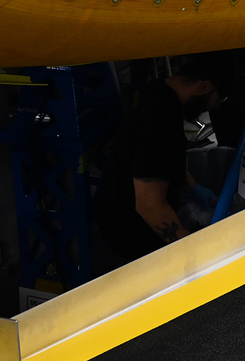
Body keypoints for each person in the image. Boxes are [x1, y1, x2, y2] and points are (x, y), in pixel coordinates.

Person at [99, 54, 233, 263]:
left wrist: (193, 186)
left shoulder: (158, 90)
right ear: (204, 87)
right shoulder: (162, 124)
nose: (216, 106)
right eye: (220, 97)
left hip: (114, 209)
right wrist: (193, 251)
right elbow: (149, 206)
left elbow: (159, 162)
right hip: (131, 240)